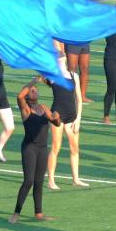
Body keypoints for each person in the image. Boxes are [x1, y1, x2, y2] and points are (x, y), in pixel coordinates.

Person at [10, 78, 59, 224]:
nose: (34, 91)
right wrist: (34, 81)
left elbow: (56, 123)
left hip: (42, 149)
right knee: (29, 180)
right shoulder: (26, 109)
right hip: (30, 148)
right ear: (27, 95)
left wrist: (57, 118)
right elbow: (19, 96)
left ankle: (39, 213)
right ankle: (16, 213)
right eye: (31, 90)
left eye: (35, 89)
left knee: (39, 181)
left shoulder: (43, 108)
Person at [47, 47, 86, 190]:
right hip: (57, 115)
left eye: (62, 55)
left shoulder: (74, 75)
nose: (61, 56)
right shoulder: (52, 76)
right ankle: (51, 180)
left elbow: (79, 99)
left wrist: (78, 119)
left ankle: (76, 179)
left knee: (74, 148)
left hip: (72, 115)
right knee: (56, 147)